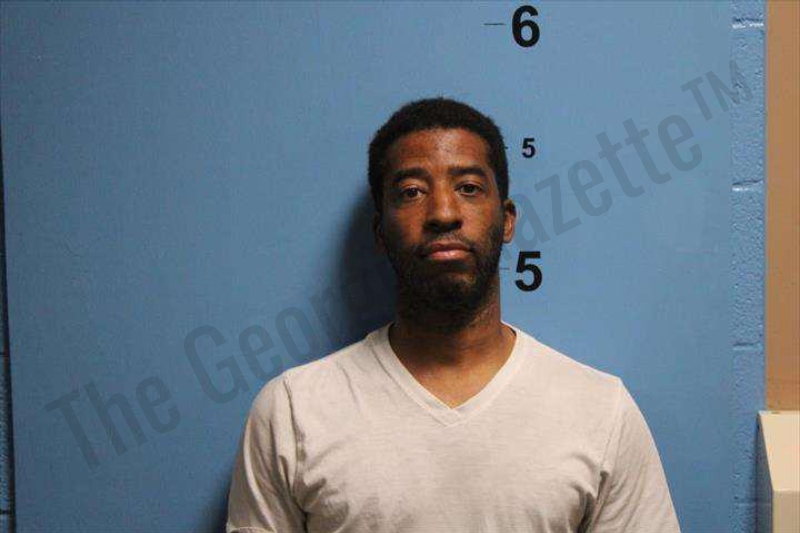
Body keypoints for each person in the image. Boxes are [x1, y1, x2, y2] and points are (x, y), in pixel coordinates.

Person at [226, 97, 681, 533]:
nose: (443, 213)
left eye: (468, 188)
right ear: (380, 232)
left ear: (506, 219)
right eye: (412, 192)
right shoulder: (293, 412)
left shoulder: (600, 412)